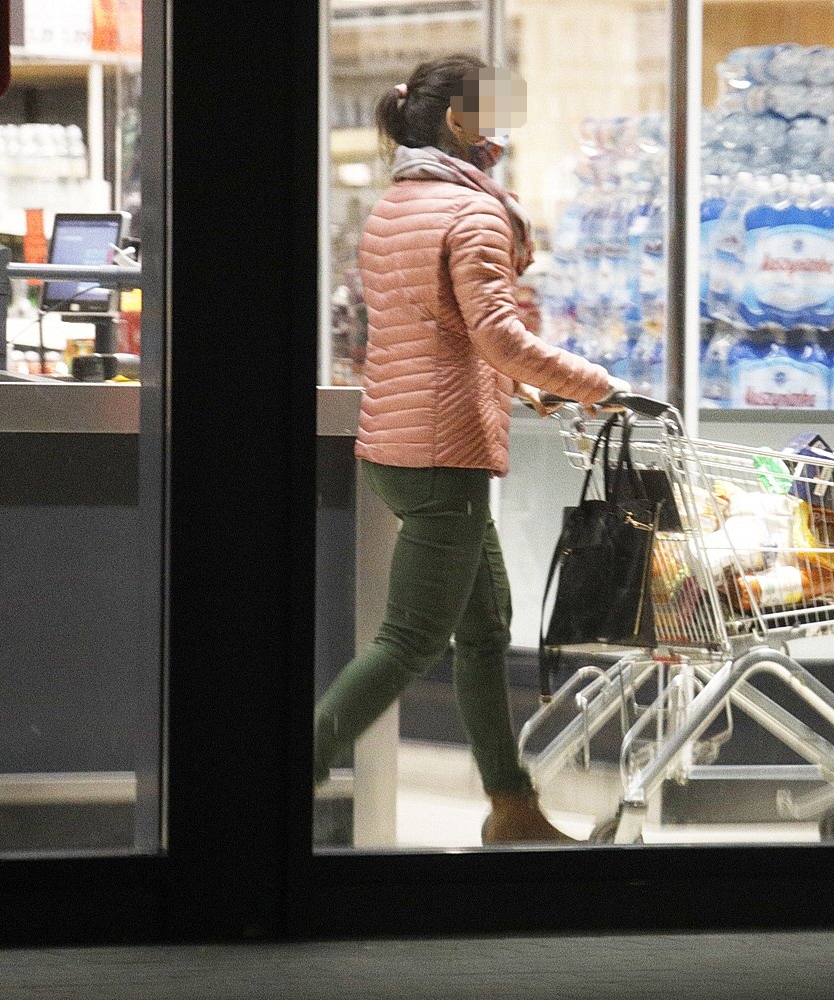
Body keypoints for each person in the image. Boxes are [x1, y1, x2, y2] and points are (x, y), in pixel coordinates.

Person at [313, 53, 627, 844]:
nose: (505, 129)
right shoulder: (475, 211)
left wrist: (524, 386)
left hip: (397, 441)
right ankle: (288, 768)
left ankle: (511, 807)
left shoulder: (398, 203)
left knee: (484, 630)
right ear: (460, 119)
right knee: (410, 639)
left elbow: (434, 333)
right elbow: (497, 333)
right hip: (442, 452)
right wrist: (601, 385)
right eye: (496, 110)